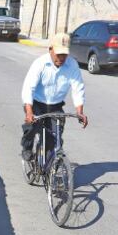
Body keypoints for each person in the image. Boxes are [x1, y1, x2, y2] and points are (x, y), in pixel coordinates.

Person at [20, 32, 88, 160]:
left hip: (56, 105)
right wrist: (29, 112)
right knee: (32, 126)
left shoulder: (72, 65)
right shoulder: (40, 64)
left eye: (64, 54)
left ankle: (49, 165)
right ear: (50, 49)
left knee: (54, 138)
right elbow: (28, 88)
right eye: (59, 54)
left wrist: (80, 111)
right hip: (36, 104)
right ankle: (27, 147)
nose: (62, 58)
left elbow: (78, 88)